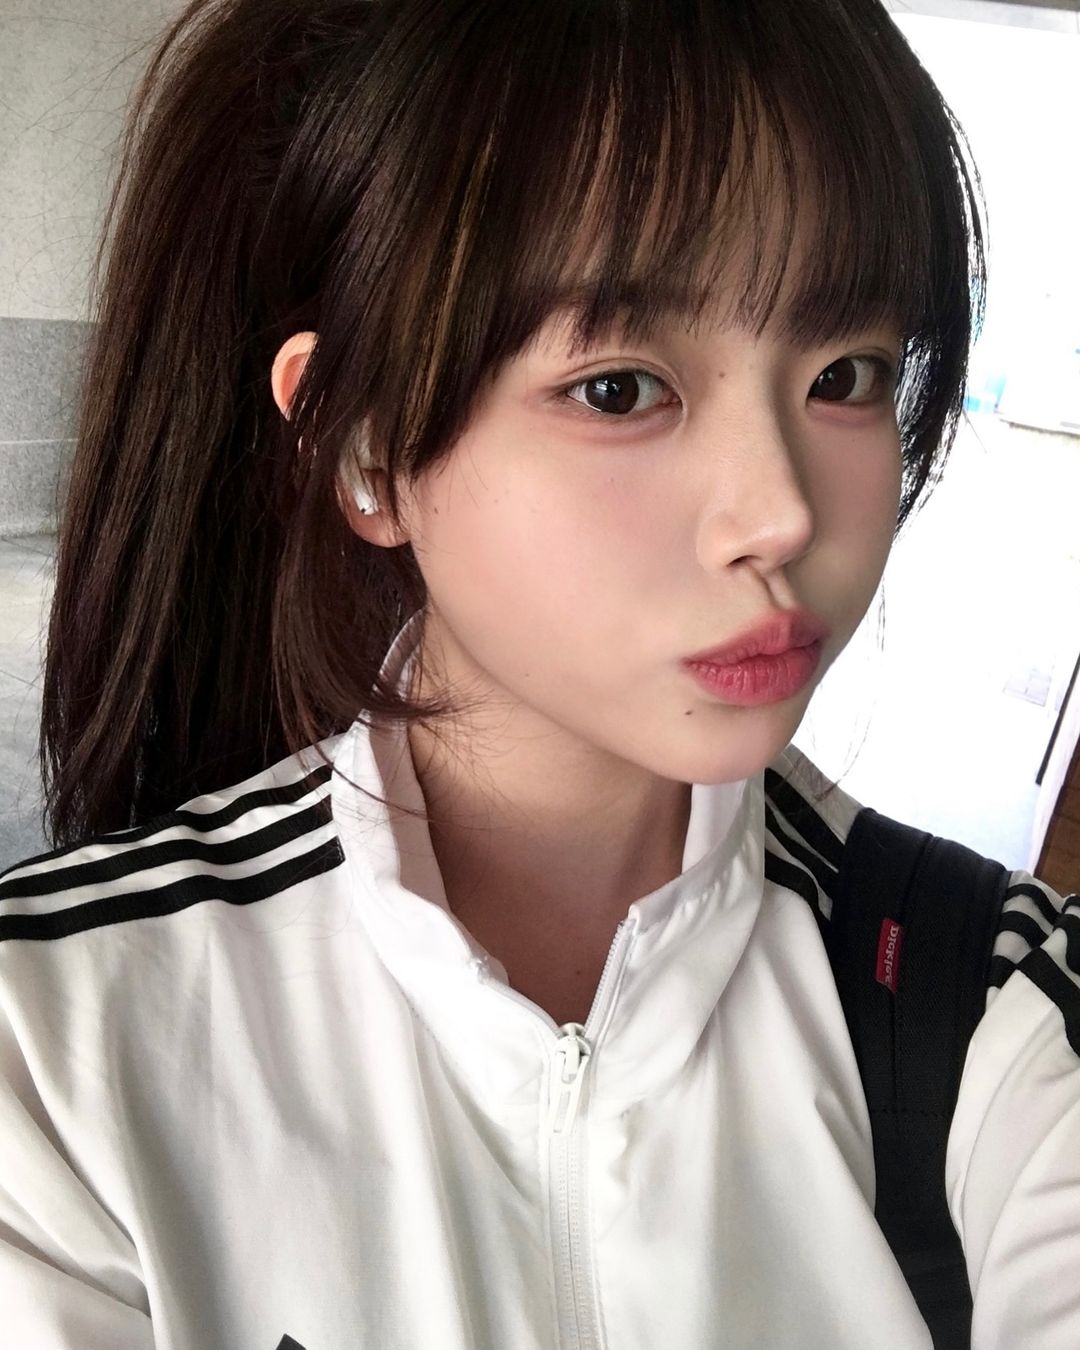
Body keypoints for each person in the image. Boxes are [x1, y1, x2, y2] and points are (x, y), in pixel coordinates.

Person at [0, 0, 1076, 1345]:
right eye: (620, 388)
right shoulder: (50, 1050)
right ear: (365, 447)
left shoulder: (992, 1002)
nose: (782, 513)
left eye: (846, 373)